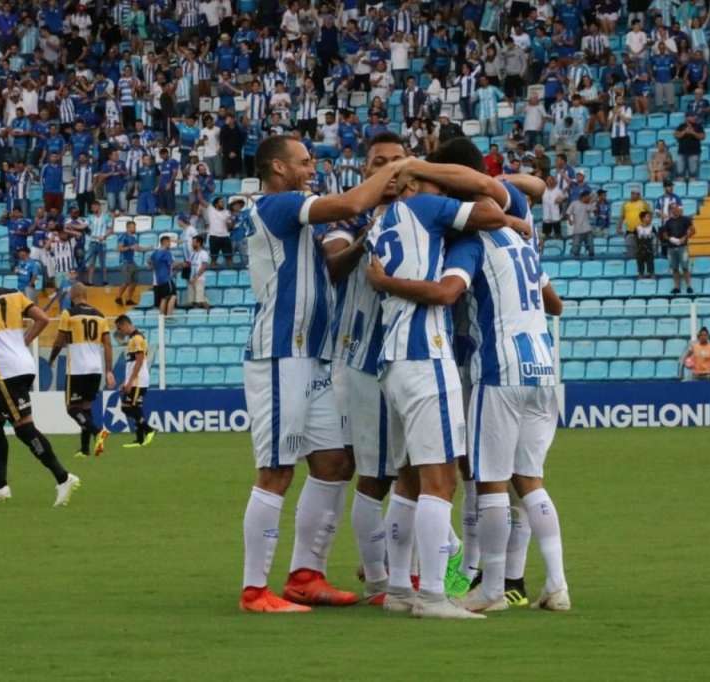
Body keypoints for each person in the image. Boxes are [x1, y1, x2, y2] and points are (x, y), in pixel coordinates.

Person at [365, 176, 570, 614]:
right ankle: (556, 584)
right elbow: (555, 304)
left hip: (496, 367)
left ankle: (489, 587)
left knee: (484, 480)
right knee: (529, 480)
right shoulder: (521, 243)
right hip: (543, 366)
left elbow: (447, 292)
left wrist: (387, 282)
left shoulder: (468, 243)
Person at [237, 135, 413, 615]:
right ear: (278, 167)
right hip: (280, 352)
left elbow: (331, 269)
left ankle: (305, 576)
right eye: (303, 160)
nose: (312, 167)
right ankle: (254, 591)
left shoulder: (291, 221)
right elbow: (353, 202)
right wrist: (399, 169)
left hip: (312, 355)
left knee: (334, 462)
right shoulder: (278, 204)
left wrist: (363, 241)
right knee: (276, 470)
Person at [316, 132, 409, 606]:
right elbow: (332, 264)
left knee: (418, 473)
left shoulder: (422, 214)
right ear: (365, 170)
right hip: (367, 362)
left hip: (414, 359)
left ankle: (396, 565)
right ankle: (378, 581)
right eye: (379, 162)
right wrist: (367, 236)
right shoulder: (349, 217)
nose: (390, 170)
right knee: (374, 474)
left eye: (398, 161)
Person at [0, 253, 80, 507]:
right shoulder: (13, 293)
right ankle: (0, 486)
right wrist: (23, 341)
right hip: (23, 364)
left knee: (24, 429)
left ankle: (63, 477)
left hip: (7, 371)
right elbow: (43, 319)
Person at [47, 284, 115, 459]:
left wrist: (52, 358)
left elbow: (59, 340)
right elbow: (108, 345)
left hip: (78, 369)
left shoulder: (68, 313)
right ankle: (85, 449)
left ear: (73, 295)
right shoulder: (100, 316)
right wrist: (109, 370)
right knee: (86, 408)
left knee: (72, 409)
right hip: (95, 369)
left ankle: (98, 432)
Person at [114, 315, 154, 449]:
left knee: (128, 407)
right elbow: (131, 364)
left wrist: (130, 382)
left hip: (138, 380)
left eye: (119, 328)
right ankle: (140, 440)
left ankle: (149, 429)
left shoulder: (137, 338)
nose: (119, 331)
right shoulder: (133, 338)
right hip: (135, 380)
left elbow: (139, 361)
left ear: (125, 324)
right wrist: (126, 381)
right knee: (135, 408)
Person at [661, 204, 695, 294]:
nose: (675, 210)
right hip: (671, 248)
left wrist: (685, 237)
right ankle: (677, 287)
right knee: (674, 268)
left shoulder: (685, 219)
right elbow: (664, 234)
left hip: (682, 247)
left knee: (685, 267)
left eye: (676, 208)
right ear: (670, 210)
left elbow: (693, 230)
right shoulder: (668, 222)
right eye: (673, 208)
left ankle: (689, 286)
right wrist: (670, 239)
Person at [115, 221, 144, 307]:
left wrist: (149, 248)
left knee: (134, 281)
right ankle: (118, 297)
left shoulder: (133, 238)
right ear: (128, 228)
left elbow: (138, 248)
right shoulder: (123, 236)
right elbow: (119, 249)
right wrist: (130, 247)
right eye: (133, 227)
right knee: (126, 281)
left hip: (132, 262)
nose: (134, 228)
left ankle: (128, 299)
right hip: (125, 262)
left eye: (135, 227)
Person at [150, 234, 178, 317]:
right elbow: (171, 265)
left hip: (159, 279)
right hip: (166, 278)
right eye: (169, 242)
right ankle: (169, 316)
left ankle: (161, 318)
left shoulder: (155, 253)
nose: (170, 244)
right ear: (165, 242)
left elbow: (149, 261)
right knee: (173, 296)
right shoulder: (166, 253)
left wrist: (155, 268)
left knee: (164, 298)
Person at [674, 112, 705, 181]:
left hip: (694, 153)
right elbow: (676, 135)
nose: (695, 118)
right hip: (682, 152)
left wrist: (693, 132)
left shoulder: (698, 126)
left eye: (694, 116)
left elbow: (702, 137)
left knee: (693, 173)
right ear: (687, 118)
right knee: (680, 172)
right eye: (692, 116)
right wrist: (685, 132)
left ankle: (693, 186)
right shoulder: (681, 126)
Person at [566, 189, 595, 258]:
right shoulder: (574, 203)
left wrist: (591, 201)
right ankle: (575, 261)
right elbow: (568, 213)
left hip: (588, 230)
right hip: (577, 231)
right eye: (588, 197)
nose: (589, 198)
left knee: (591, 249)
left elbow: (593, 210)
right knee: (575, 250)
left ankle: (591, 261)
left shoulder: (588, 205)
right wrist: (569, 220)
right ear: (583, 197)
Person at [635, 210, 656, 279]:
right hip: (640, 249)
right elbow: (635, 239)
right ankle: (641, 274)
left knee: (650, 263)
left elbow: (655, 238)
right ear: (643, 218)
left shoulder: (652, 228)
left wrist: (655, 248)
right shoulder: (637, 228)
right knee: (640, 263)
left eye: (650, 217)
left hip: (649, 249)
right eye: (648, 217)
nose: (650, 218)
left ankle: (651, 273)